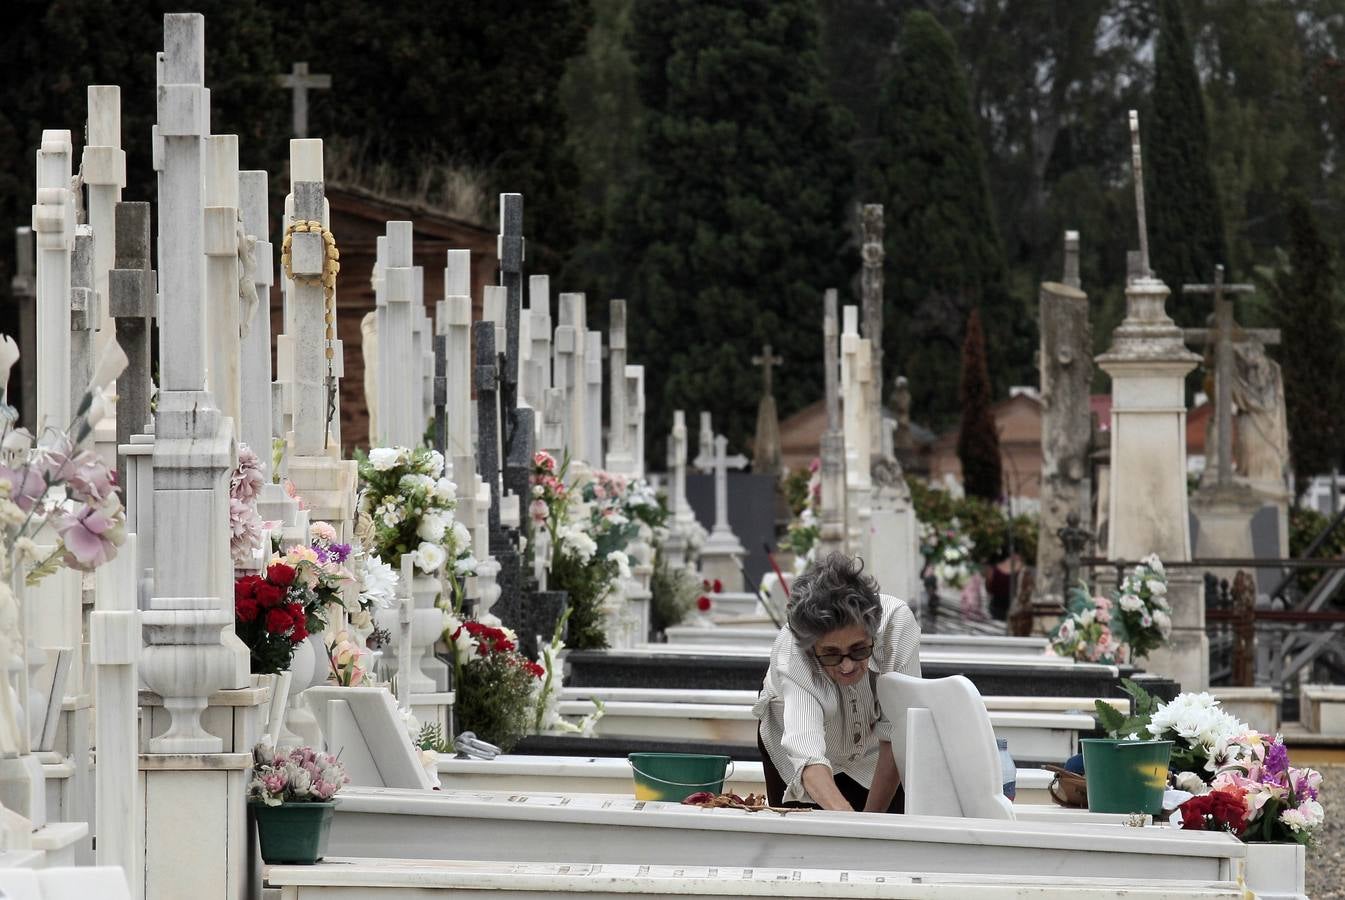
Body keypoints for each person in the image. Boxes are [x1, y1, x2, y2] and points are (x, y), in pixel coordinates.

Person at [752, 552, 921, 812]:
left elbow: (897, 732)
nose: (847, 666)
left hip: (874, 755)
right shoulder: (792, 651)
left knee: (887, 840)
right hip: (798, 762)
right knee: (803, 847)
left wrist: (869, 822)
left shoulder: (896, 625)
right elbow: (807, 755)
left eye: (859, 649)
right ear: (811, 646)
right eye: (831, 653)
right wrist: (851, 825)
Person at [985, 546, 1023, 622]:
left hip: (995, 606)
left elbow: (988, 588)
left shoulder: (994, 569)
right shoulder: (1021, 567)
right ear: (1015, 555)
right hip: (1013, 608)